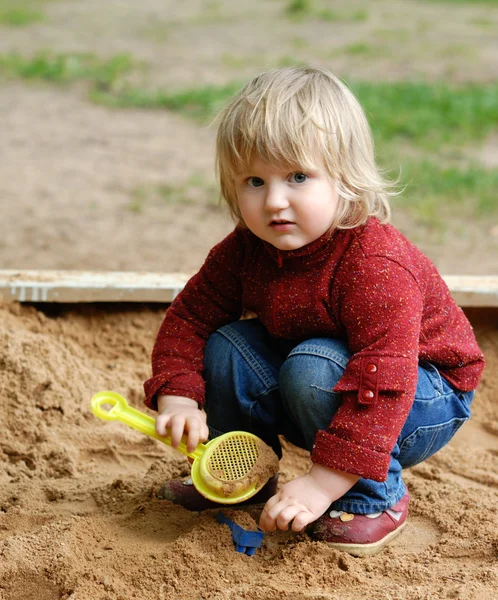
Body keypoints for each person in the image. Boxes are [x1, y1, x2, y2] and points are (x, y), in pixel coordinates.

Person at [143, 66, 484, 557]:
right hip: (328, 378)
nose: (275, 201)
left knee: (313, 364)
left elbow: (386, 379)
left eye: (298, 177)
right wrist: (177, 395)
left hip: (421, 396)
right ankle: (244, 470)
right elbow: (191, 317)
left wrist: (322, 485)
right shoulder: (245, 250)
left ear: (345, 180)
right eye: (254, 181)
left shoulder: (374, 264)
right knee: (228, 346)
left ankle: (373, 498)